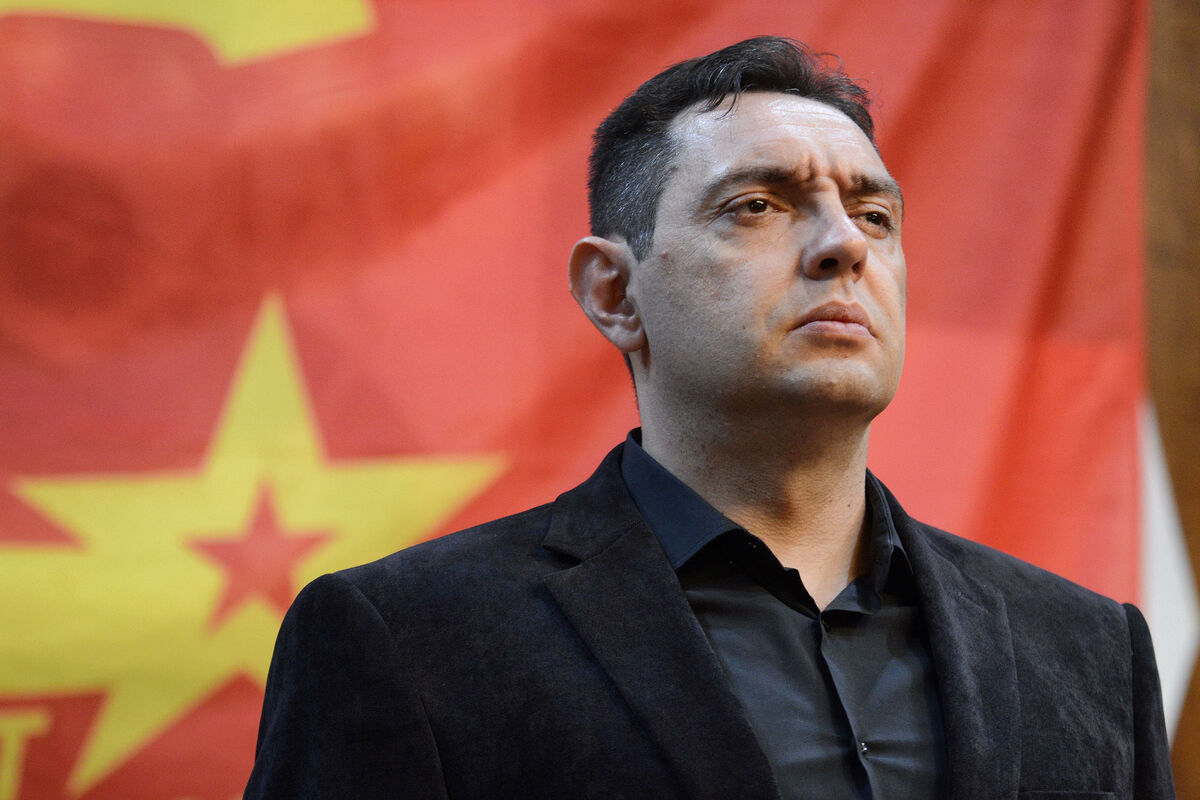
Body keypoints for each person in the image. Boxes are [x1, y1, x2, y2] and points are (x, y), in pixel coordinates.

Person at [244, 37, 1175, 799]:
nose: (843, 245)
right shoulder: (406, 639)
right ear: (614, 292)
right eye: (757, 205)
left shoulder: (1090, 648)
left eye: (874, 215)